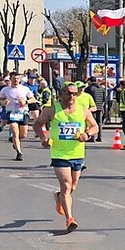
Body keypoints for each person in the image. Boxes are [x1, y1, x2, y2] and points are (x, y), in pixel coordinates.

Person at [32, 82, 100, 232]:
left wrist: (87, 134)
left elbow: (95, 127)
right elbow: (37, 124)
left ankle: (59, 197)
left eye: (74, 94)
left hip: (77, 154)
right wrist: (44, 138)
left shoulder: (83, 111)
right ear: (61, 93)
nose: (72, 96)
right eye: (68, 93)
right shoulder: (52, 110)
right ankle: (70, 219)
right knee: (67, 185)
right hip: (59, 153)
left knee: (72, 187)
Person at [0, 72, 35, 161]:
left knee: (23, 134)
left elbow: (33, 99)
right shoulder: (6, 90)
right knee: (14, 132)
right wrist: (3, 102)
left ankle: (14, 141)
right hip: (11, 113)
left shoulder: (25, 89)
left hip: (23, 113)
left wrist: (26, 102)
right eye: (14, 78)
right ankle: (19, 152)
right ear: (10, 79)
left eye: (17, 79)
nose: (16, 80)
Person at [85, 76, 106, 142]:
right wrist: (102, 107)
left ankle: (92, 137)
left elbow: (87, 98)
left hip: (92, 108)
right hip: (99, 108)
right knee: (99, 123)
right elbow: (104, 98)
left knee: (92, 123)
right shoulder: (101, 88)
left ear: (90, 81)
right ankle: (99, 137)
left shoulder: (89, 88)